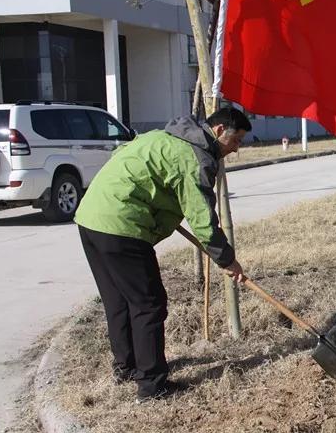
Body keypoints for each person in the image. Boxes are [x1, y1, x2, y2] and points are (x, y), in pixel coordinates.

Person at [74, 107, 251, 402]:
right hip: (122, 225)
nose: (236, 149)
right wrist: (227, 260)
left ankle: (127, 367)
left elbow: (125, 160)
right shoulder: (195, 158)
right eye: (236, 140)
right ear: (219, 130)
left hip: (91, 217)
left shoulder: (162, 136)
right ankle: (151, 386)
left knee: (119, 300)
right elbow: (203, 221)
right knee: (149, 304)